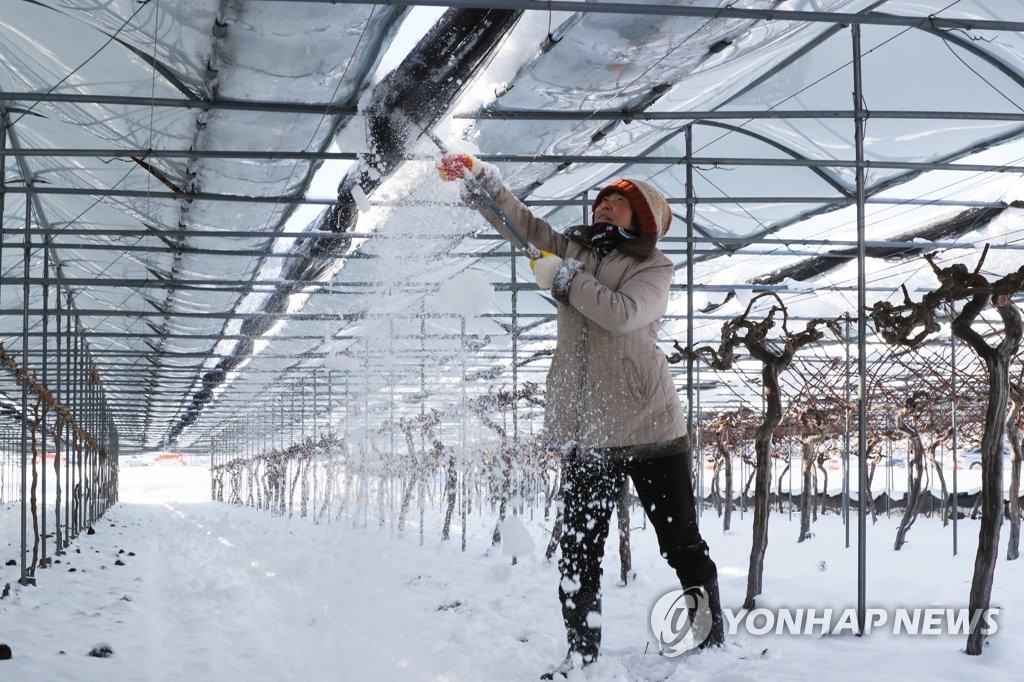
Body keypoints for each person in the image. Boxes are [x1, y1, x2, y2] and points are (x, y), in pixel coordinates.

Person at [437, 153, 724, 679]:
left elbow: (622, 315)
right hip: (589, 429)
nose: (603, 206)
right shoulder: (574, 248)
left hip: (651, 426)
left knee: (680, 540)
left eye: (617, 201)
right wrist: (481, 182)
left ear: (641, 217)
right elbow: (522, 226)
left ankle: (710, 644)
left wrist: (565, 279)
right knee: (578, 549)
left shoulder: (652, 267)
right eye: (600, 200)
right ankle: (582, 655)